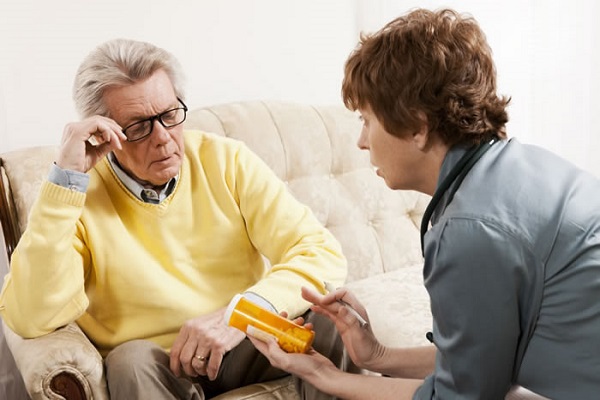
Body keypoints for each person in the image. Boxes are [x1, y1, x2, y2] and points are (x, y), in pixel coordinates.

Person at [249, 8, 600, 400]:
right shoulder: (517, 168)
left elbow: (457, 397)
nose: (361, 141)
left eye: (366, 120)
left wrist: (325, 376)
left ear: (417, 126)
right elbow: (481, 363)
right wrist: (377, 356)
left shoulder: (469, 230)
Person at [0, 38, 355, 400]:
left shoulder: (226, 160)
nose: (163, 138)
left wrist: (241, 315)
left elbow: (320, 252)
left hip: (240, 339)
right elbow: (31, 316)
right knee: (129, 360)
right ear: (104, 134)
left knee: (330, 319)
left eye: (170, 115)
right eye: (139, 126)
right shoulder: (76, 195)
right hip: (156, 367)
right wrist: (65, 181)